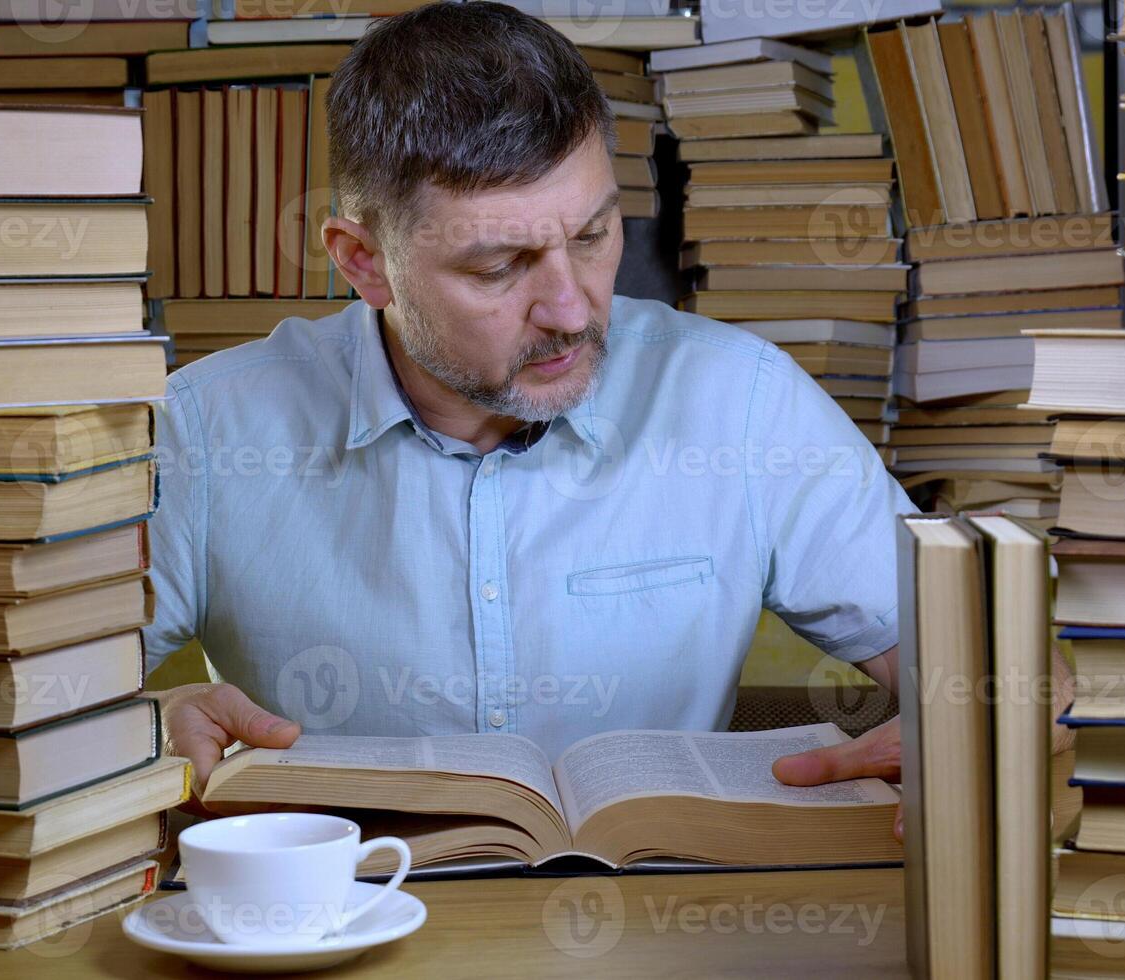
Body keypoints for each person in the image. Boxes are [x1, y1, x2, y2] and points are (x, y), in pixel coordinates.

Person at [146, 1, 926, 832]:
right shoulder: (204, 433)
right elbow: (8, 711)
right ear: (364, 262)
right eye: (500, 265)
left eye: (592, 236)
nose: (569, 309)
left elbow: (993, 667)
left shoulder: (742, 403)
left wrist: (975, 731)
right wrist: (141, 733)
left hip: (663, 934)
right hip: (337, 938)